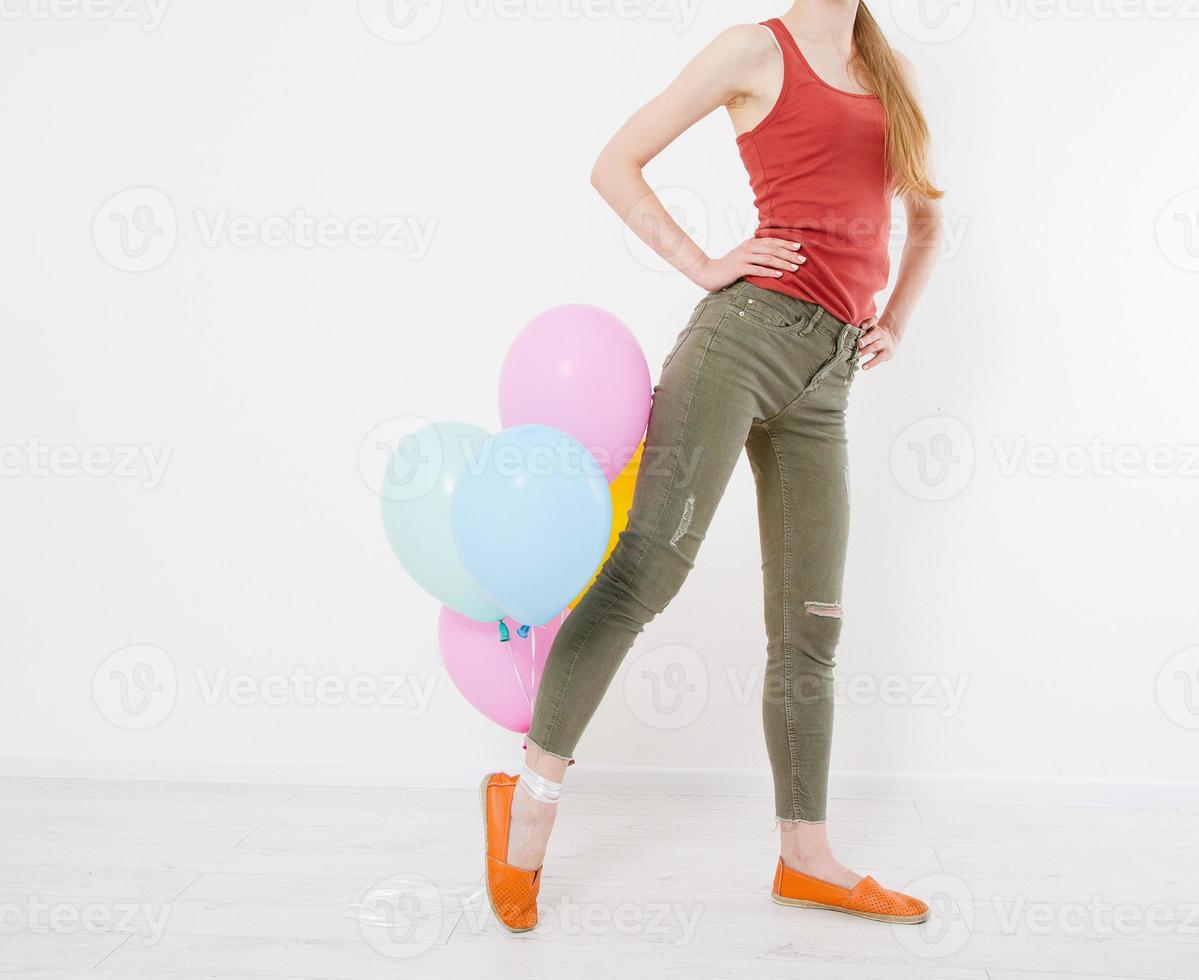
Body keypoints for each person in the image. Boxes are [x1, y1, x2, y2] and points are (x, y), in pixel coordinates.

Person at [481, 0, 944, 933]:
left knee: (812, 620)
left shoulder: (889, 71)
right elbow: (613, 163)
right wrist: (699, 262)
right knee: (646, 569)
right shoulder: (751, 50)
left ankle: (805, 855)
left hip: (829, 378)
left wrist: (893, 320)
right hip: (741, 339)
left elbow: (926, 221)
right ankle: (524, 814)